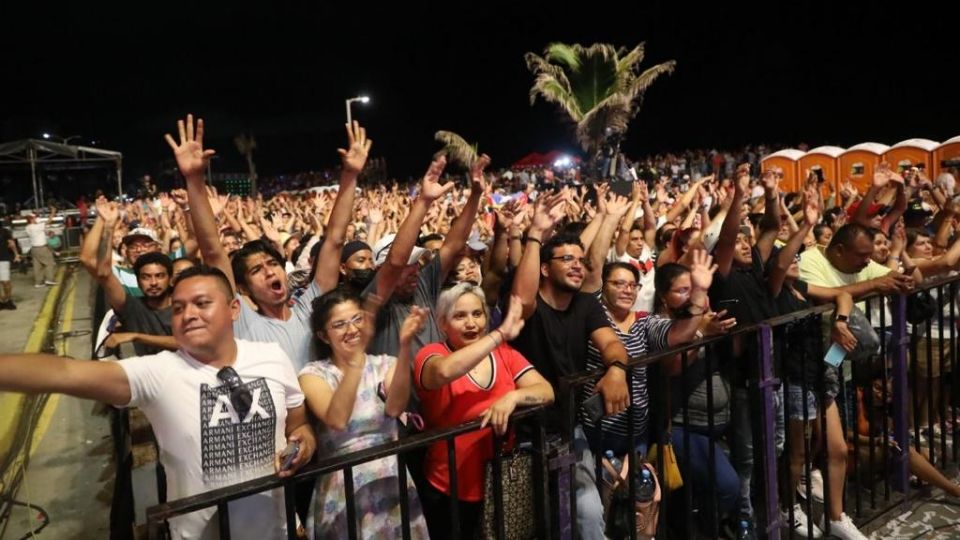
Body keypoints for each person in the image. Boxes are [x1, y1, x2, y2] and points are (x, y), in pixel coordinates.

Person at [0, 266, 316, 539]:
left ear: (234, 309)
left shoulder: (271, 357)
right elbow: (66, 372)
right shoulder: (159, 373)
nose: (188, 314)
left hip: (274, 528)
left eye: (201, 304)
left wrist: (303, 445)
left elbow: (298, 425)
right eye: (178, 308)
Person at [169, 115, 370, 370]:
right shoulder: (241, 320)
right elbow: (212, 250)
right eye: (256, 270)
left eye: (272, 263)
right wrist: (194, 180)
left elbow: (335, 240)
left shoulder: (310, 308)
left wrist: (351, 175)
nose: (269, 271)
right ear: (242, 288)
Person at [508, 191, 632, 540]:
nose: (579, 265)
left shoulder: (585, 305)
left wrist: (617, 369)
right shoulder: (529, 308)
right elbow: (523, 298)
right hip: (523, 435)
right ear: (545, 268)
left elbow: (610, 342)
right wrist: (534, 233)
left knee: (589, 516)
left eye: (581, 259)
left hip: (568, 429)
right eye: (567, 259)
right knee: (535, 523)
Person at [414, 287, 554, 538]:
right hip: (448, 486)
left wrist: (513, 397)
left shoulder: (504, 354)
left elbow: (546, 391)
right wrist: (500, 334)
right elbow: (444, 372)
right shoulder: (431, 353)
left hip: (498, 483)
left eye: (477, 314)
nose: (471, 323)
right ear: (443, 323)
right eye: (460, 316)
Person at [767, 189, 865, 539]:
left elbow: (843, 295)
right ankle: (788, 506)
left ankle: (836, 517)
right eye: (789, 258)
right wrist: (805, 225)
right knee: (798, 452)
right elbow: (780, 264)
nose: (794, 261)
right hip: (793, 378)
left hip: (821, 374)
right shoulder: (777, 291)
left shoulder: (804, 288)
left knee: (837, 447)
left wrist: (839, 322)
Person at [298, 288, 429, 539]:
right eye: (340, 324)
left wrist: (404, 347)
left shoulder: (385, 364)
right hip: (341, 486)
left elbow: (395, 407)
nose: (352, 329)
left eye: (358, 319)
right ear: (324, 336)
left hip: (389, 476)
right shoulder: (313, 374)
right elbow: (336, 419)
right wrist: (356, 360)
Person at [25, 210, 57, 287]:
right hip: (41, 248)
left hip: (34, 249)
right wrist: (53, 212)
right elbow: (49, 221)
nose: (36, 218)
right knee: (49, 263)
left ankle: (38, 282)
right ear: (32, 219)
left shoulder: (27, 227)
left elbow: (44, 232)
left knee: (37, 266)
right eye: (35, 217)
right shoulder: (36, 227)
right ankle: (49, 279)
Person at [0, 223, 21, 309]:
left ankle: (8, 299)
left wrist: (16, 254)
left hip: (3, 259)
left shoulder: (4, 231)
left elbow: (11, 244)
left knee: (5, 281)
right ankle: (1, 301)